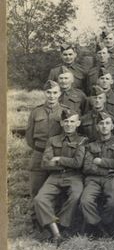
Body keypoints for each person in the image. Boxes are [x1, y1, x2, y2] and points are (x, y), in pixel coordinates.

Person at [34, 109, 87, 245]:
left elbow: (78, 163)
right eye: (66, 121)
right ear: (62, 123)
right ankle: (56, 232)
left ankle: (63, 226)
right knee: (40, 199)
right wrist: (66, 164)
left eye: (72, 121)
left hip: (74, 177)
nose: (69, 124)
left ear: (78, 123)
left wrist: (58, 159)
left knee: (76, 195)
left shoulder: (82, 141)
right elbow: (45, 163)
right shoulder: (53, 140)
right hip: (55, 177)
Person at [26, 81, 72, 226]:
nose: (51, 96)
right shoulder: (36, 111)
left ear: (60, 94)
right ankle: (36, 222)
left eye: (55, 93)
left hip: (56, 155)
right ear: (44, 93)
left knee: (56, 189)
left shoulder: (65, 111)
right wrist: (41, 149)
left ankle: (55, 221)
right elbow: (29, 136)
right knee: (36, 189)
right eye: (49, 92)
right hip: (39, 154)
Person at [80, 111, 114, 237]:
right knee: (85, 201)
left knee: (113, 201)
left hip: (112, 178)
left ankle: (107, 223)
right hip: (93, 179)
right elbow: (87, 167)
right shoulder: (90, 145)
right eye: (101, 123)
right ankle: (98, 226)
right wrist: (108, 169)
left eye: (107, 123)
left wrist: (101, 162)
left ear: (112, 126)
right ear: (97, 127)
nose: (104, 126)